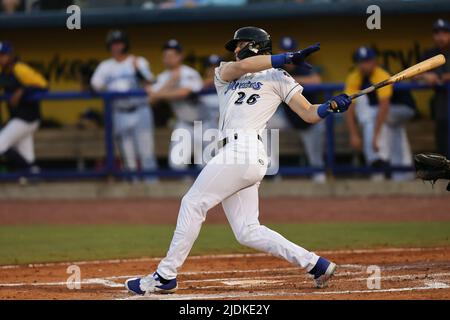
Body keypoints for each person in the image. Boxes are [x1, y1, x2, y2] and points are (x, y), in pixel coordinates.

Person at [124, 26, 352, 295]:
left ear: (255, 45)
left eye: (239, 44)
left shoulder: (279, 77)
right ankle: (316, 264)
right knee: (247, 231)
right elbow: (244, 65)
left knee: (193, 202)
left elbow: (309, 114)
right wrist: (286, 56)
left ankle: (165, 275)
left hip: (244, 151)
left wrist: (329, 108)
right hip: (234, 154)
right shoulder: (226, 72)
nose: (234, 50)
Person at [90, 30, 158, 181]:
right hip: (119, 112)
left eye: (119, 43)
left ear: (125, 44)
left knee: (146, 152)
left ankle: (152, 186)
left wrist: (137, 72)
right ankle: (134, 188)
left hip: (140, 110)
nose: (116, 47)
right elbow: (94, 86)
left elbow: (149, 85)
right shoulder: (105, 66)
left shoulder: (138, 61)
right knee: (128, 156)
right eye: (113, 44)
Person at [345, 46, 416, 181]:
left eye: (366, 61)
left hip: (403, 108)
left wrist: (375, 138)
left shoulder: (381, 74)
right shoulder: (355, 76)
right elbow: (349, 107)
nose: (363, 65)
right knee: (395, 132)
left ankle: (377, 158)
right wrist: (353, 134)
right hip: (388, 114)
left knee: (373, 115)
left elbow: (384, 107)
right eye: (360, 61)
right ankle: (401, 174)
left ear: (374, 61)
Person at [268, 36, 326, 182]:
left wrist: (291, 81)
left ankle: (319, 179)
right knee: (263, 125)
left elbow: (317, 80)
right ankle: (272, 171)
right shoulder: (276, 69)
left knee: (316, 162)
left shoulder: (303, 66)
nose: (288, 55)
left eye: (290, 51)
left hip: (308, 121)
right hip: (287, 118)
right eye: (284, 51)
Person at [146, 39, 203, 169]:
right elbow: (150, 100)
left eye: (172, 55)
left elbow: (184, 93)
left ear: (180, 56)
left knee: (205, 165)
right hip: (183, 123)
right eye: (166, 55)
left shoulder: (189, 72)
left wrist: (159, 93)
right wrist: (171, 83)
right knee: (177, 164)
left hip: (204, 123)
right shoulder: (164, 77)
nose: (168, 58)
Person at [0, 41, 48, 172]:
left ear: (10, 55)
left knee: (1, 145)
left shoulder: (20, 69)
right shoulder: (2, 71)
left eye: (3, 55)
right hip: (17, 117)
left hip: (27, 118)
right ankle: (32, 172)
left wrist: (23, 91)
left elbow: (44, 86)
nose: (1, 58)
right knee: (27, 157)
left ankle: (30, 169)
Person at [417, 19, 450, 157]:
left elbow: (443, 77)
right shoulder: (430, 53)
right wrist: (425, 76)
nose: (441, 36)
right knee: (442, 127)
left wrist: (443, 77)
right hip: (442, 97)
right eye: (437, 33)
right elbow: (415, 74)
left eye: (445, 32)